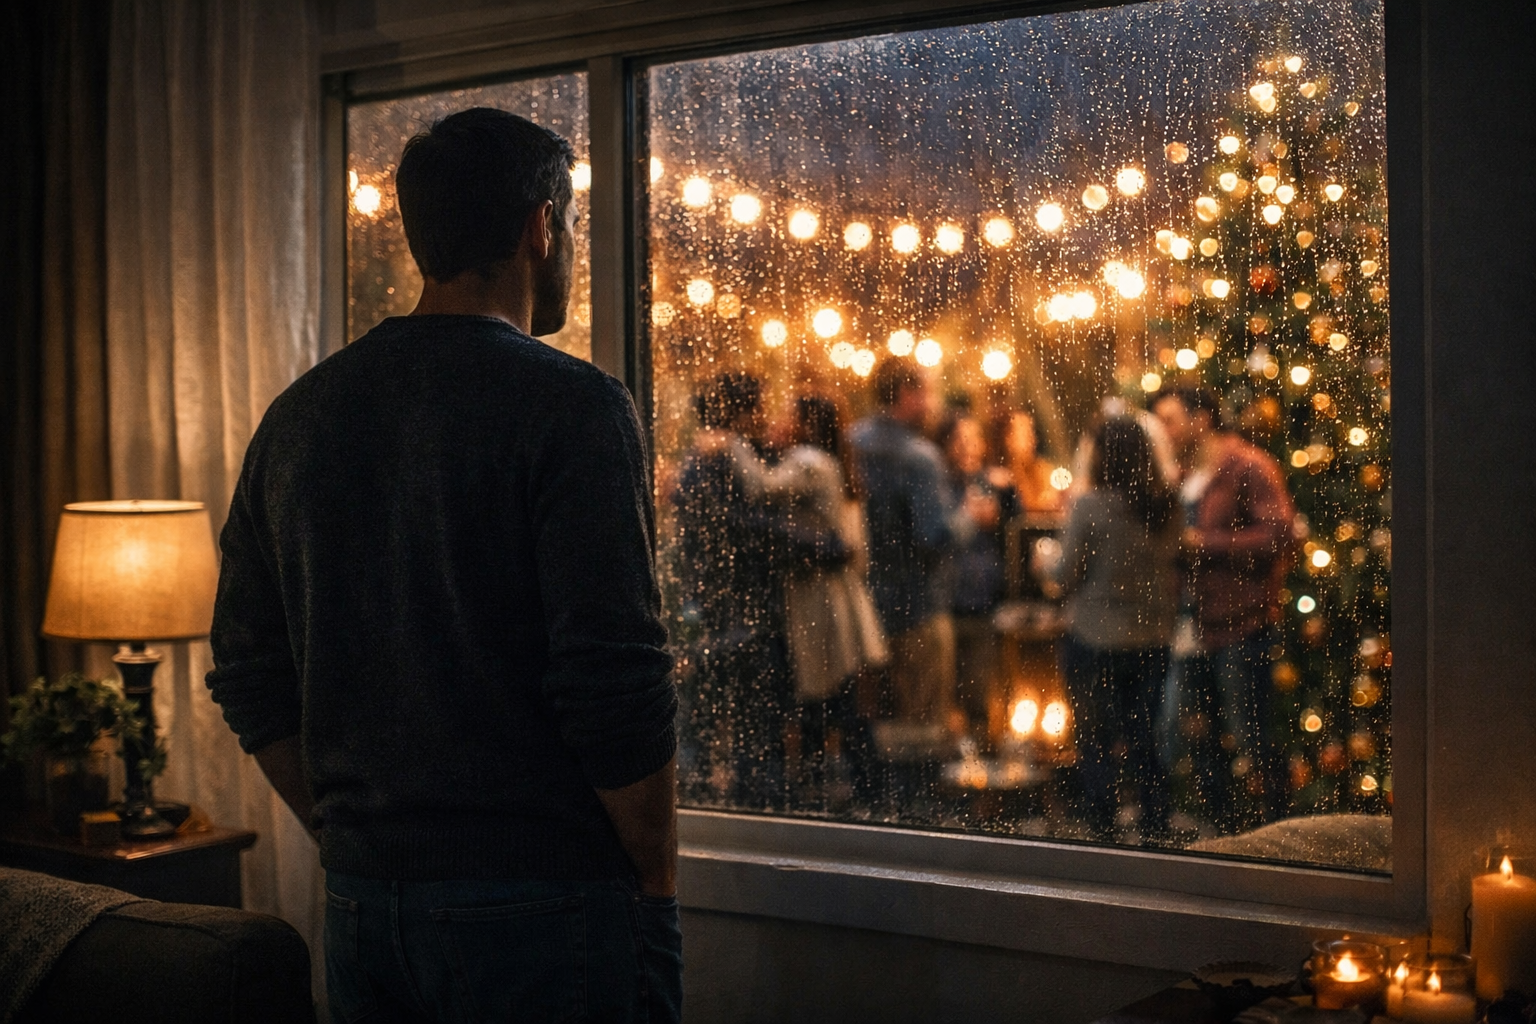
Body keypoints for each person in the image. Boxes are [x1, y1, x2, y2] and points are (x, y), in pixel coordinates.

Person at [205, 109, 682, 1023]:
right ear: (542, 228)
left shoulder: (301, 414)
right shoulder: (572, 405)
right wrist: (655, 870)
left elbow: (248, 665)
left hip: (361, 907)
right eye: (574, 227)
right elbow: (613, 671)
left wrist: (354, 832)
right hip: (546, 906)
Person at [671, 373, 847, 810]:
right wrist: (824, 545)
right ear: (740, 413)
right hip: (734, 617)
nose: (767, 415)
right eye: (759, 407)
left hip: (742, 615)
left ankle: (748, 806)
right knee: (746, 731)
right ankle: (748, 814)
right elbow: (746, 529)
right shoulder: (713, 464)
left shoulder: (730, 455)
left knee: (746, 729)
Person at [1152, 385, 1296, 831]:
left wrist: (1205, 545)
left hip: (1239, 625)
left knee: (1251, 733)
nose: (1165, 430)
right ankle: (1222, 827)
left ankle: (1273, 833)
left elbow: (1279, 536)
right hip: (1189, 625)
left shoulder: (1248, 467)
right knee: (1190, 731)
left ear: (1202, 419)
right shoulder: (1176, 476)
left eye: (1172, 419)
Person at [1054, 416, 1182, 842]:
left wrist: (1043, 562)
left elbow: (1065, 574)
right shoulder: (1166, 506)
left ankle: (1102, 824)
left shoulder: (1090, 506)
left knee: (1095, 737)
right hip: (1150, 636)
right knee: (1143, 734)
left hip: (1095, 638)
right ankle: (1154, 821)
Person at [758, 394, 886, 804]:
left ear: (807, 423)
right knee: (836, 701)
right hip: (838, 597)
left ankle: (846, 791)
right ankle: (864, 790)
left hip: (818, 601)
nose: (778, 420)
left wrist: (731, 447)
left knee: (827, 699)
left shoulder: (808, 461)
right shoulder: (834, 463)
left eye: (789, 413)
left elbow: (762, 486)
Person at [851, 360, 975, 737]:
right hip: (919, 608)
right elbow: (933, 537)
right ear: (908, 394)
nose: (934, 402)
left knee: (876, 725)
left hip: (866, 608)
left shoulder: (852, 442)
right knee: (923, 724)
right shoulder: (919, 457)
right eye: (929, 391)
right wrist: (970, 516)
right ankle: (916, 796)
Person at [937, 414, 1016, 740]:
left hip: (983, 602)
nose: (968, 447)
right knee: (944, 694)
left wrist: (1009, 492)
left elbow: (1016, 529)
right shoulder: (940, 485)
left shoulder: (991, 482)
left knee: (980, 690)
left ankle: (979, 760)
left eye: (974, 439)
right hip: (946, 603)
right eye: (960, 439)